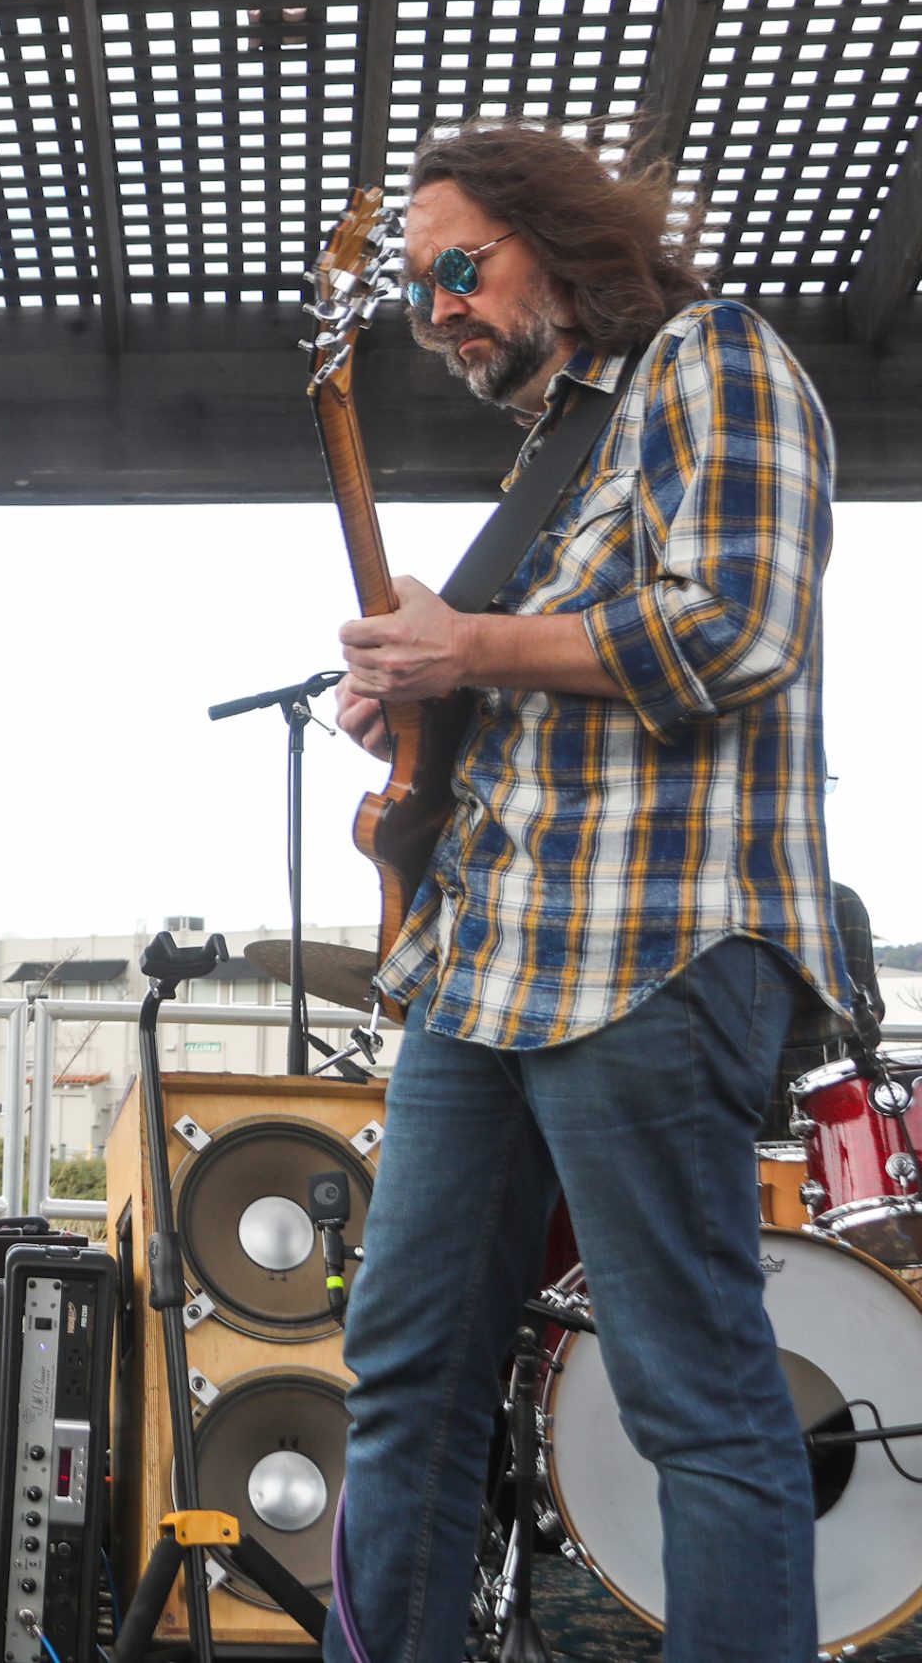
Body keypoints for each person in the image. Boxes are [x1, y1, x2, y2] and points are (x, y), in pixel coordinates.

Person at [326, 120, 853, 1663]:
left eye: (457, 267)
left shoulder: (716, 357)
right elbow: (552, 683)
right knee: (404, 1369)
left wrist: (471, 649)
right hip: (483, 960)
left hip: (656, 945)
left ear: (556, 236)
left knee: (691, 1392)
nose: (435, 310)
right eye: (418, 291)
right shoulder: (556, 453)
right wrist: (428, 702)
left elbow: (737, 625)